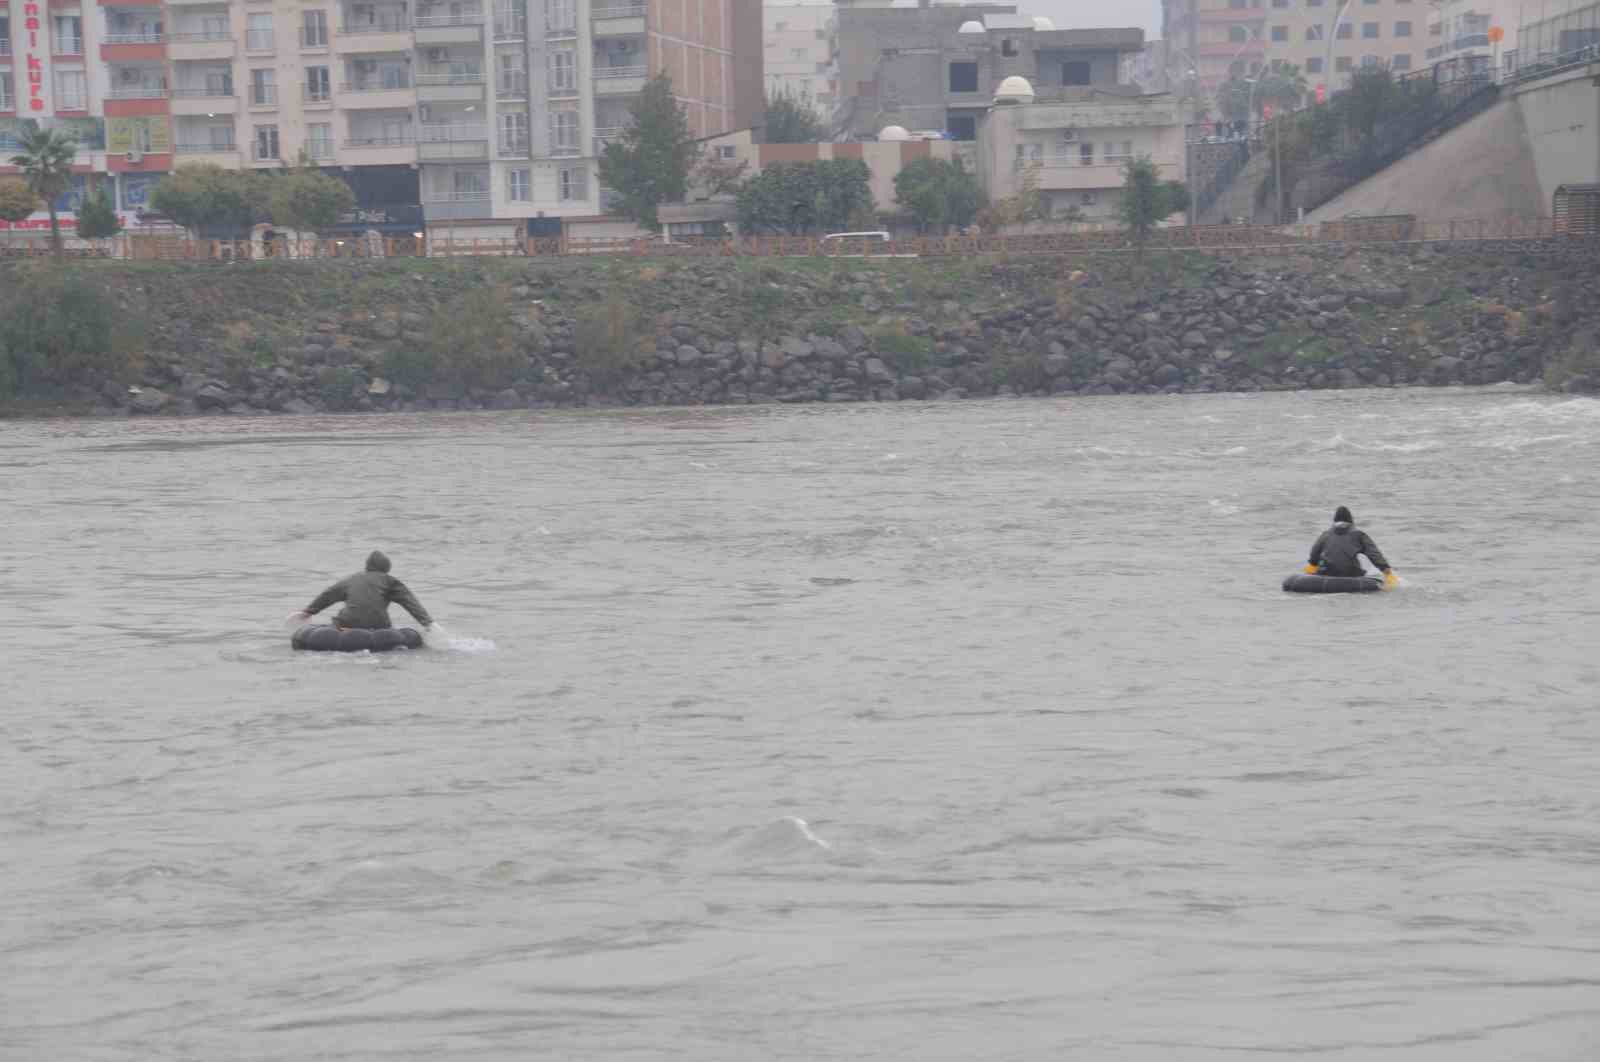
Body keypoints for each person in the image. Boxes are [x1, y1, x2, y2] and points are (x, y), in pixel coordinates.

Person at [293, 550, 434, 630]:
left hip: (347, 624)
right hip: (378, 626)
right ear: (387, 569)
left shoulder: (351, 580)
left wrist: (308, 612)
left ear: (367, 566)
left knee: (337, 622)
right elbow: (410, 602)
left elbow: (328, 595)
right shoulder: (390, 582)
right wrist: (428, 623)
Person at [1306, 506, 1398, 587]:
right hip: (1350, 573)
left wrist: (1313, 564)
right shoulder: (1358, 535)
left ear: (1334, 521)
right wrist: (1386, 571)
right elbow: (1374, 554)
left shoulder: (1326, 534)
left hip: (1326, 572)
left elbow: (1315, 551)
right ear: (1351, 521)